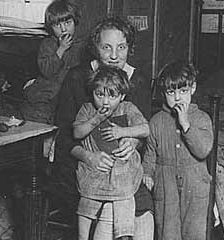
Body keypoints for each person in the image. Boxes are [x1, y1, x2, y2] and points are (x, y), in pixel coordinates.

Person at [55, 17, 154, 240]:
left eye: (122, 47)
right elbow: (64, 135)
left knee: (144, 207)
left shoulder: (136, 79)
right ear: (95, 48)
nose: (114, 56)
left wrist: (133, 142)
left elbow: (143, 128)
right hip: (81, 162)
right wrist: (89, 157)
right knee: (110, 204)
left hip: (122, 164)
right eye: (106, 47)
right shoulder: (78, 77)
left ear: (130, 48)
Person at [73, 65, 149, 240]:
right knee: (87, 204)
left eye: (112, 95)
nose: (105, 102)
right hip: (95, 170)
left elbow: (145, 129)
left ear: (121, 96)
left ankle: (125, 235)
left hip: (122, 170)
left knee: (124, 198)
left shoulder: (127, 108)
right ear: (93, 92)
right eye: (100, 94)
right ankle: (82, 236)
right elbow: (77, 133)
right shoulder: (87, 109)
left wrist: (123, 132)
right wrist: (96, 119)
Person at [142, 61, 214, 240]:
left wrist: (186, 126)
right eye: (170, 92)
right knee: (168, 231)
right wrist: (147, 174)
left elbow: (203, 150)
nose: (177, 97)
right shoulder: (156, 121)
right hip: (165, 183)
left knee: (195, 231)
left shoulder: (202, 118)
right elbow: (150, 153)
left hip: (195, 182)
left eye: (183, 91)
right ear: (163, 94)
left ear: (193, 88)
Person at [21, 0, 82, 124]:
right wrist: (61, 49)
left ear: (75, 22)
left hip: (67, 94)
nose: (63, 28)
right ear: (50, 27)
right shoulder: (48, 44)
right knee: (37, 118)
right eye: (57, 25)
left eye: (68, 23)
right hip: (47, 93)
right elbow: (47, 71)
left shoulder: (81, 45)